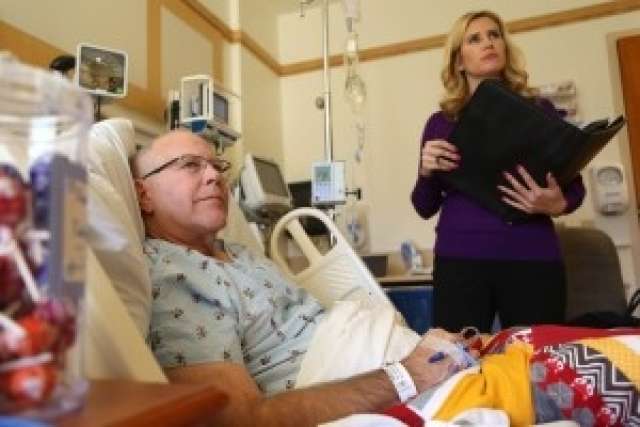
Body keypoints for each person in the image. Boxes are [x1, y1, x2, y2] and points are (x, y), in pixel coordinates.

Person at [132, 130, 474, 426]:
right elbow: (241, 419)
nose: (213, 176)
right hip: (399, 385)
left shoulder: (240, 254)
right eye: (190, 165)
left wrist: (418, 353)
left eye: (217, 166)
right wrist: (406, 375)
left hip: (411, 363)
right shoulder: (176, 277)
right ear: (144, 195)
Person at [411, 10, 586, 333]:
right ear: (459, 61)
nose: (488, 43)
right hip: (460, 260)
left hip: (533, 257)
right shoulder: (441, 123)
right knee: (458, 359)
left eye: (494, 35)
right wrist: (426, 172)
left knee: (537, 358)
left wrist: (558, 204)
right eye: (474, 39)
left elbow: (575, 187)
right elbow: (424, 206)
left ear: (505, 46)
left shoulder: (540, 111)